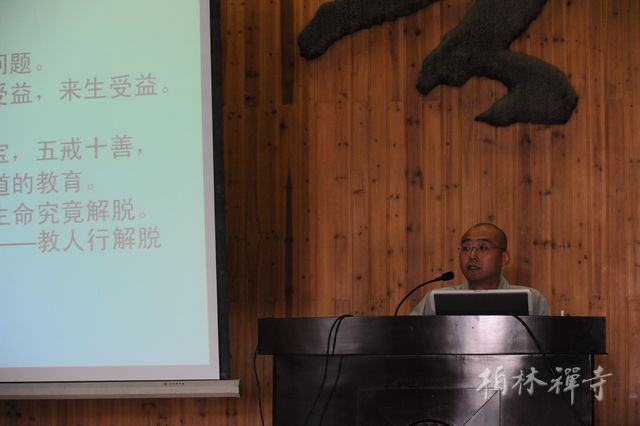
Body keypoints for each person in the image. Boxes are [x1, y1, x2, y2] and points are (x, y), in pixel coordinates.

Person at [410, 223, 550, 315]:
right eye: (466, 248)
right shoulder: (435, 299)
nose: (472, 255)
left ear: (504, 258)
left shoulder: (533, 299)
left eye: (483, 248)